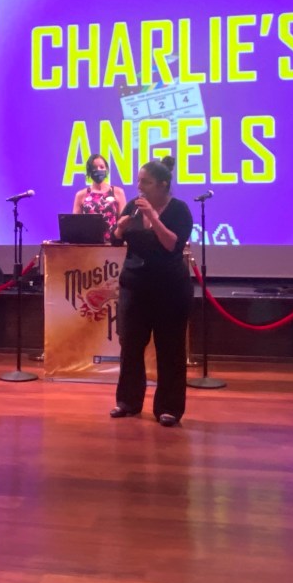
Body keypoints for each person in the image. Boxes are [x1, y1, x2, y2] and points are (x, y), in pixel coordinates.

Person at [109, 155, 193, 427]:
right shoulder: (133, 206)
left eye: (145, 182)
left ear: (162, 184)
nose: (139, 187)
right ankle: (128, 402)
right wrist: (119, 229)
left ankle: (169, 408)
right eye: (138, 181)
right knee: (130, 346)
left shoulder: (179, 210)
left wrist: (154, 217)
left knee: (170, 349)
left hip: (169, 290)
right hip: (135, 287)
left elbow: (172, 245)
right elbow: (114, 240)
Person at [72, 153, 127, 242]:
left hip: (112, 244)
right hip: (88, 244)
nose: (98, 170)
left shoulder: (118, 192)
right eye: (94, 167)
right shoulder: (81, 195)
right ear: (89, 171)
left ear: (106, 169)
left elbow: (123, 222)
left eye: (101, 167)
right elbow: (75, 225)